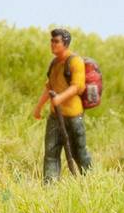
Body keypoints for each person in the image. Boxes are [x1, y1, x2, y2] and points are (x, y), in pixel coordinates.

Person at [30, 26, 94, 181]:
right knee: (51, 152)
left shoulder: (75, 61)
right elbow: (49, 87)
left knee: (79, 152)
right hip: (54, 116)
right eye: (52, 41)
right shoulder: (54, 63)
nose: (52, 44)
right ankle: (50, 186)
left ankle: (91, 181)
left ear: (65, 43)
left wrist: (60, 98)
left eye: (56, 41)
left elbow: (77, 86)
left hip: (73, 115)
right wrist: (39, 107)